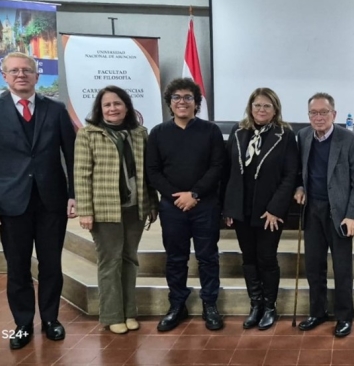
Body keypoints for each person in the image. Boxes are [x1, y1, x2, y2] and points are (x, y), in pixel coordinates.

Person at [0, 52, 77, 349]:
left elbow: (72, 156)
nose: (21, 75)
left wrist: (74, 194)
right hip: (10, 203)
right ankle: (22, 324)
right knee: (17, 267)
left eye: (27, 70)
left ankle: (50, 319)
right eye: (15, 71)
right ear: (5, 76)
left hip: (51, 202)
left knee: (50, 265)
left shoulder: (56, 110)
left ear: (37, 76)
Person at [74, 86, 159, 334]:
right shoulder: (88, 134)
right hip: (104, 209)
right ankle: (112, 315)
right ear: (100, 110)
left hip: (135, 207)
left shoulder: (139, 133)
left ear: (127, 106)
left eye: (117, 103)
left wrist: (151, 204)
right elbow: (81, 174)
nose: (112, 108)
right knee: (110, 261)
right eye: (107, 105)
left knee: (130, 259)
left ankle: (129, 311)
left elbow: (147, 174)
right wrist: (85, 210)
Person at [146, 78, 226, 332]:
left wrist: (195, 194)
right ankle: (177, 305)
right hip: (172, 207)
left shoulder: (210, 131)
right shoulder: (158, 133)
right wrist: (176, 197)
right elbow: (153, 171)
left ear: (196, 103)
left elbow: (218, 167)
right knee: (176, 259)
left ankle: (210, 305)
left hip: (205, 205)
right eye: (177, 97)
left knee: (207, 258)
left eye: (188, 97)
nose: (182, 102)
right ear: (170, 103)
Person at [222, 88, 299, 331]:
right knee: (249, 258)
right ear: (250, 107)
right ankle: (255, 304)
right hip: (241, 208)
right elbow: (229, 171)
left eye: (266, 106)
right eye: (257, 105)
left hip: (269, 211)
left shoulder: (284, 134)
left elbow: (290, 175)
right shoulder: (238, 130)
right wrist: (229, 208)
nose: (261, 110)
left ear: (275, 109)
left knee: (266, 257)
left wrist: (276, 208)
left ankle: (269, 306)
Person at [294, 92, 354, 338]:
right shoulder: (303, 137)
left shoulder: (349, 140)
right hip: (312, 210)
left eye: (324, 112)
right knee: (314, 266)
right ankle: (317, 312)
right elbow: (299, 172)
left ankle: (344, 316)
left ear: (334, 114)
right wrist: (300, 188)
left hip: (340, 213)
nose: (318, 117)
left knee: (342, 268)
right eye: (313, 113)